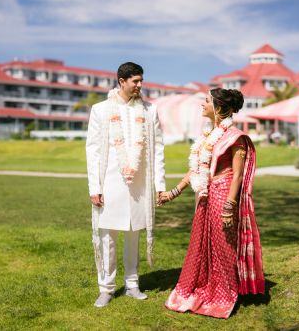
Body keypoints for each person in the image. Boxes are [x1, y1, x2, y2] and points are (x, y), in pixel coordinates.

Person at [157, 88, 265, 319]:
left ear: (218, 107)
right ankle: (204, 286)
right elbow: (195, 170)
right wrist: (173, 193)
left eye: (206, 101)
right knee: (202, 244)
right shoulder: (208, 135)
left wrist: (229, 206)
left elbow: (237, 175)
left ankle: (225, 293)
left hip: (224, 195)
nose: (202, 104)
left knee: (224, 246)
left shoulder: (235, 137)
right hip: (205, 197)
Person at [85, 62, 166, 308]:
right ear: (122, 81)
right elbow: (93, 151)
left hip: (139, 185)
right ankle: (106, 289)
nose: (140, 85)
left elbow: (158, 149)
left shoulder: (150, 111)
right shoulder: (100, 110)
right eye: (136, 81)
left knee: (134, 235)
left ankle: (132, 285)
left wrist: (159, 184)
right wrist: (94, 187)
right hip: (110, 183)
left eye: (141, 81)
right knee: (107, 236)